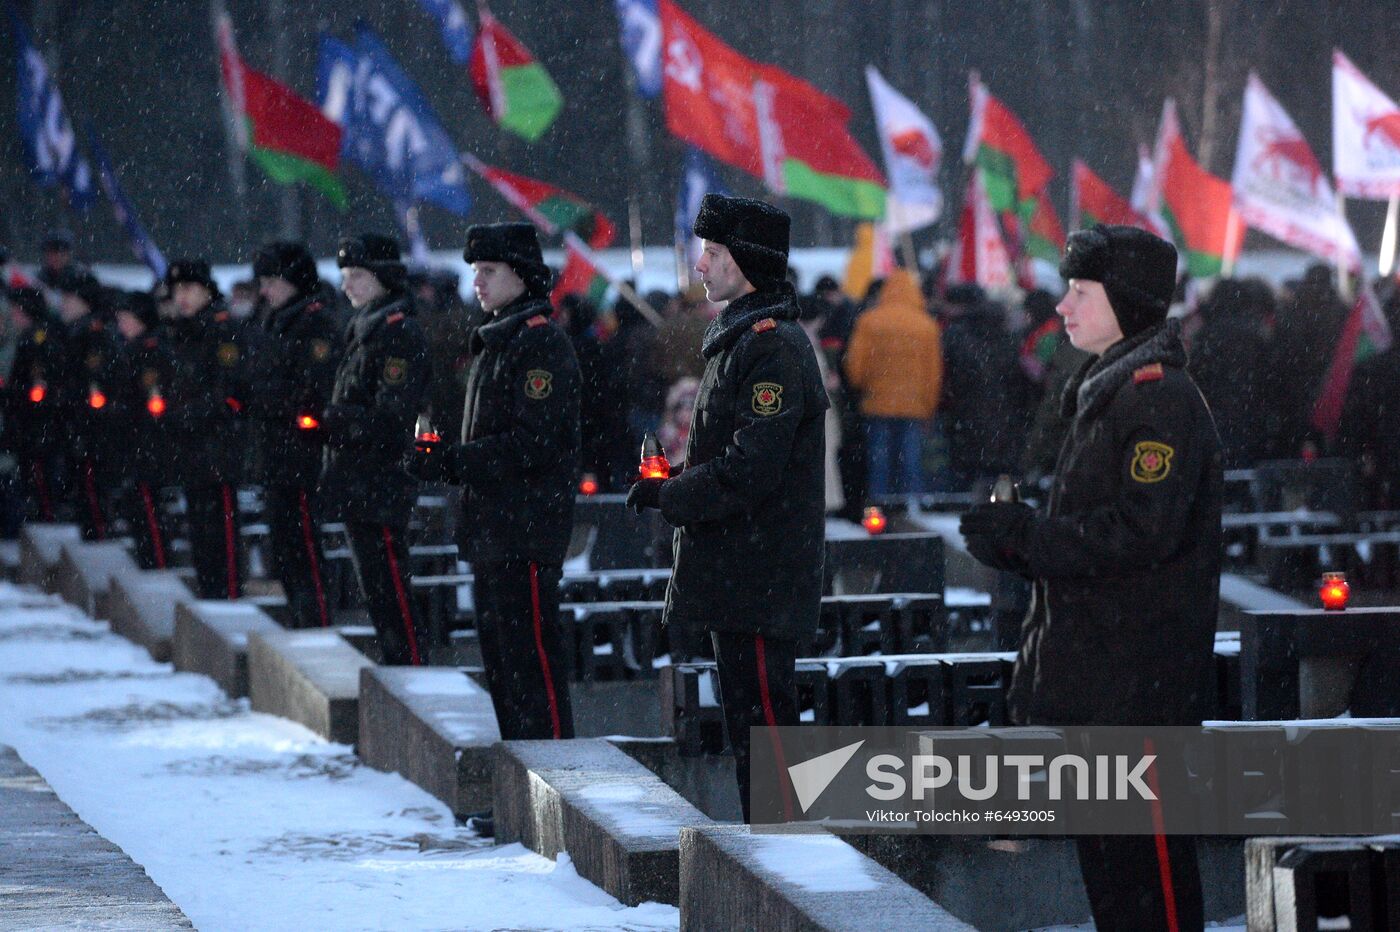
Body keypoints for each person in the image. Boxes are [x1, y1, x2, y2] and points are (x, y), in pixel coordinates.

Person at [960, 225, 1221, 932]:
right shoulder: (1106, 389)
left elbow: (1141, 533)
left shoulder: (1156, 396)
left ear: (1127, 304)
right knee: (1115, 883)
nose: (1063, 308)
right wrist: (1018, 544)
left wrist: (1028, 539)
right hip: (1105, 676)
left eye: (1081, 292)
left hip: (1139, 682)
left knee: (1150, 881)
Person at [626, 193, 828, 823]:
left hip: (761, 572)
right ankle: (770, 864)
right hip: (741, 569)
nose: (700, 265)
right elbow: (732, 450)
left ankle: (788, 879)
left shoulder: (770, 345)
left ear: (746, 261)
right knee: (750, 733)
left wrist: (676, 494)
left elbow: (754, 468)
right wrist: (676, 479)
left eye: (713, 252)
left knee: (767, 735)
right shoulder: (738, 339)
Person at [318, 234, 429, 663]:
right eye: (345, 275)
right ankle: (399, 665)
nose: (347, 285)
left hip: (380, 480)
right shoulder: (366, 328)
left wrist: (331, 420)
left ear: (383, 278)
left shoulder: (395, 334)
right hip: (359, 481)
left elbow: (391, 416)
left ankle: (411, 671)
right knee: (376, 591)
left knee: (390, 589)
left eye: (358, 275)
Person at [249, 242, 342, 628]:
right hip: (276, 452)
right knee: (285, 548)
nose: (265, 290)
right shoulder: (276, 321)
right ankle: (300, 620)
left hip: (301, 455)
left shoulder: (314, 323)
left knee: (304, 546)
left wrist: (278, 405)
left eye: (272, 280)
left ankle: (316, 624)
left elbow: (313, 389)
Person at [164, 260, 253, 599]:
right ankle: (211, 591)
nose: (181, 297)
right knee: (201, 530)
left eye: (189, 289)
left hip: (219, 444)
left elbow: (231, 389)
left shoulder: (222, 328)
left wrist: (193, 414)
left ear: (206, 290)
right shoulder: (184, 330)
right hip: (192, 447)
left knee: (221, 528)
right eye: (177, 290)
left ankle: (228, 594)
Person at [842, 268, 943, 497]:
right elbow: (933, 374)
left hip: (876, 403)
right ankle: (911, 508)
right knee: (911, 460)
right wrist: (929, 407)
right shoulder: (927, 326)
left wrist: (863, 387)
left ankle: (879, 507)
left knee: (879, 460)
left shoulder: (868, 321)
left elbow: (855, 367)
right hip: (913, 407)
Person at [110, 291, 176, 569]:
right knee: (139, 508)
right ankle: (150, 561)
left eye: (126, 318)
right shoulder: (131, 349)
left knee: (149, 510)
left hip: (147, 444)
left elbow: (151, 398)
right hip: (134, 442)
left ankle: (158, 564)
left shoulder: (150, 350)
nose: (121, 324)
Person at [2, 287, 66, 522]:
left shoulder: (35, 340)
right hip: (33, 425)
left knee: (41, 483)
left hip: (36, 426)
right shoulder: (32, 338)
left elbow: (34, 385)